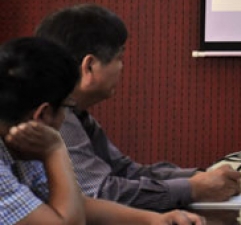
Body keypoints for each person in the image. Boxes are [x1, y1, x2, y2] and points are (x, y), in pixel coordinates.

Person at [34, 4, 241, 211]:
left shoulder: (76, 113)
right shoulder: (52, 117)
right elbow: (102, 194)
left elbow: (125, 171)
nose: (122, 67)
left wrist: (198, 177)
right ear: (89, 66)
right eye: (119, 58)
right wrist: (193, 188)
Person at [0, 36, 204, 224]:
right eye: (66, 106)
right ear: (42, 114)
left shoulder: (21, 143)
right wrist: (56, 150)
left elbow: (72, 204)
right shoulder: (39, 148)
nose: (66, 116)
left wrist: (152, 219)